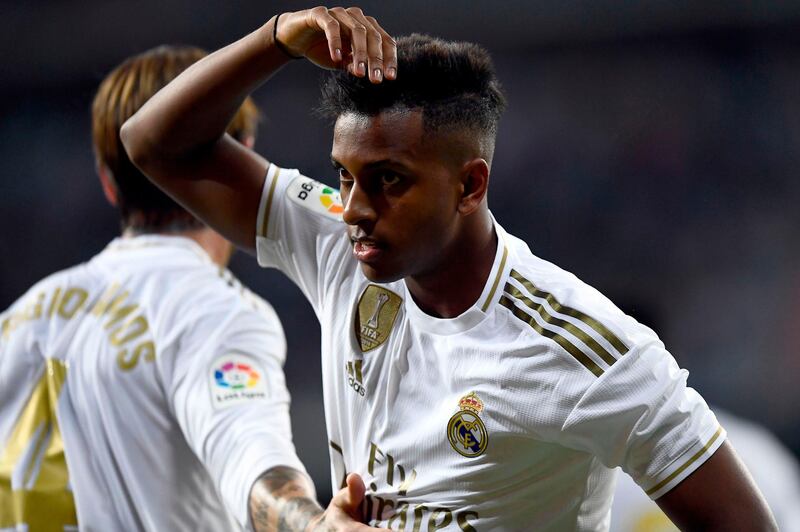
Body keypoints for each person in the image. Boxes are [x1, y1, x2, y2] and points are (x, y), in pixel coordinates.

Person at [120, 7, 778, 530]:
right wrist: (276, 39)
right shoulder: (336, 242)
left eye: (388, 181)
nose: (353, 209)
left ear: (470, 186)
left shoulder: (587, 351)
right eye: (343, 177)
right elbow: (152, 144)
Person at [0, 45, 381, 532]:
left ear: (108, 185)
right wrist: (311, 525)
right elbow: (252, 460)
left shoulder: (19, 320)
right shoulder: (213, 312)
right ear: (239, 161)